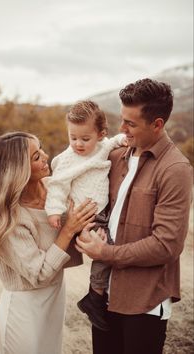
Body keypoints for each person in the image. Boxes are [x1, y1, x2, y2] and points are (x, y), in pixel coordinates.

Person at [76, 78, 193, 354]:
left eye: (131, 123)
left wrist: (105, 253)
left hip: (145, 302)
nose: (121, 129)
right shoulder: (115, 157)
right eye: (122, 119)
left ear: (157, 124)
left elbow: (166, 245)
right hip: (103, 297)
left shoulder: (175, 168)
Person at [0, 131, 98, 354]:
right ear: (18, 169)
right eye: (35, 156)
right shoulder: (7, 218)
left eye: (41, 149)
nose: (45, 156)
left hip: (54, 297)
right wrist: (68, 229)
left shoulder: (56, 188)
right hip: (24, 307)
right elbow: (38, 274)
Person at [45, 100, 126, 330]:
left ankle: (96, 295)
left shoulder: (103, 146)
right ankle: (95, 296)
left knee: (111, 246)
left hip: (103, 212)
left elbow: (115, 142)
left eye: (85, 138)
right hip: (84, 216)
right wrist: (53, 210)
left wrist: (124, 140)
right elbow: (58, 185)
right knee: (104, 248)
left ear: (100, 134)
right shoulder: (67, 159)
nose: (78, 144)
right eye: (73, 137)